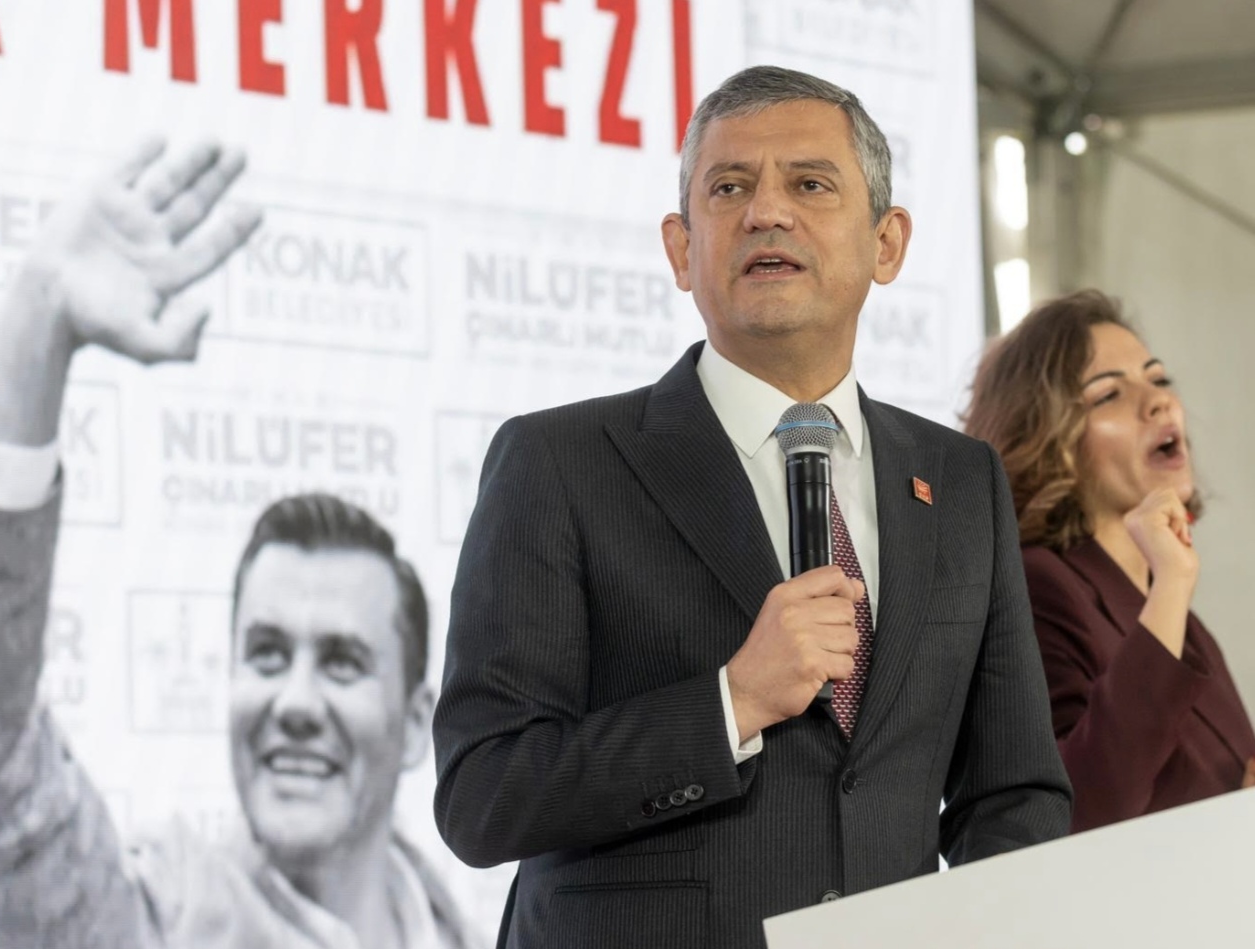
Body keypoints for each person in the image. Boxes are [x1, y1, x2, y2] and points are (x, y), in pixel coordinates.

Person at [432, 65, 1071, 949]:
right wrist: (730, 702)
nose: (767, 211)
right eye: (729, 188)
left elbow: (1013, 793)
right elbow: (484, 791)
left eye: (809, 184)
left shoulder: (959, 480)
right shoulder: (559, 463)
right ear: (680, 249)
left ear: (886, 243)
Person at [0, 139, 477, 949]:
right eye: (266, 654)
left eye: (342, 662)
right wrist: (39, 317)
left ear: (415, 723)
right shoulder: (161, 921)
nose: (294, 702)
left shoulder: (471, 925)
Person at [964, 289, 1255, 833]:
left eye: (1159, 379)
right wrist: (1172, 585)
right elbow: (1080, 808)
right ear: (1048, 436)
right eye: (1109, 394)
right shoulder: (1040, 583)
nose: (1159, 402)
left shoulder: (1177, 617)